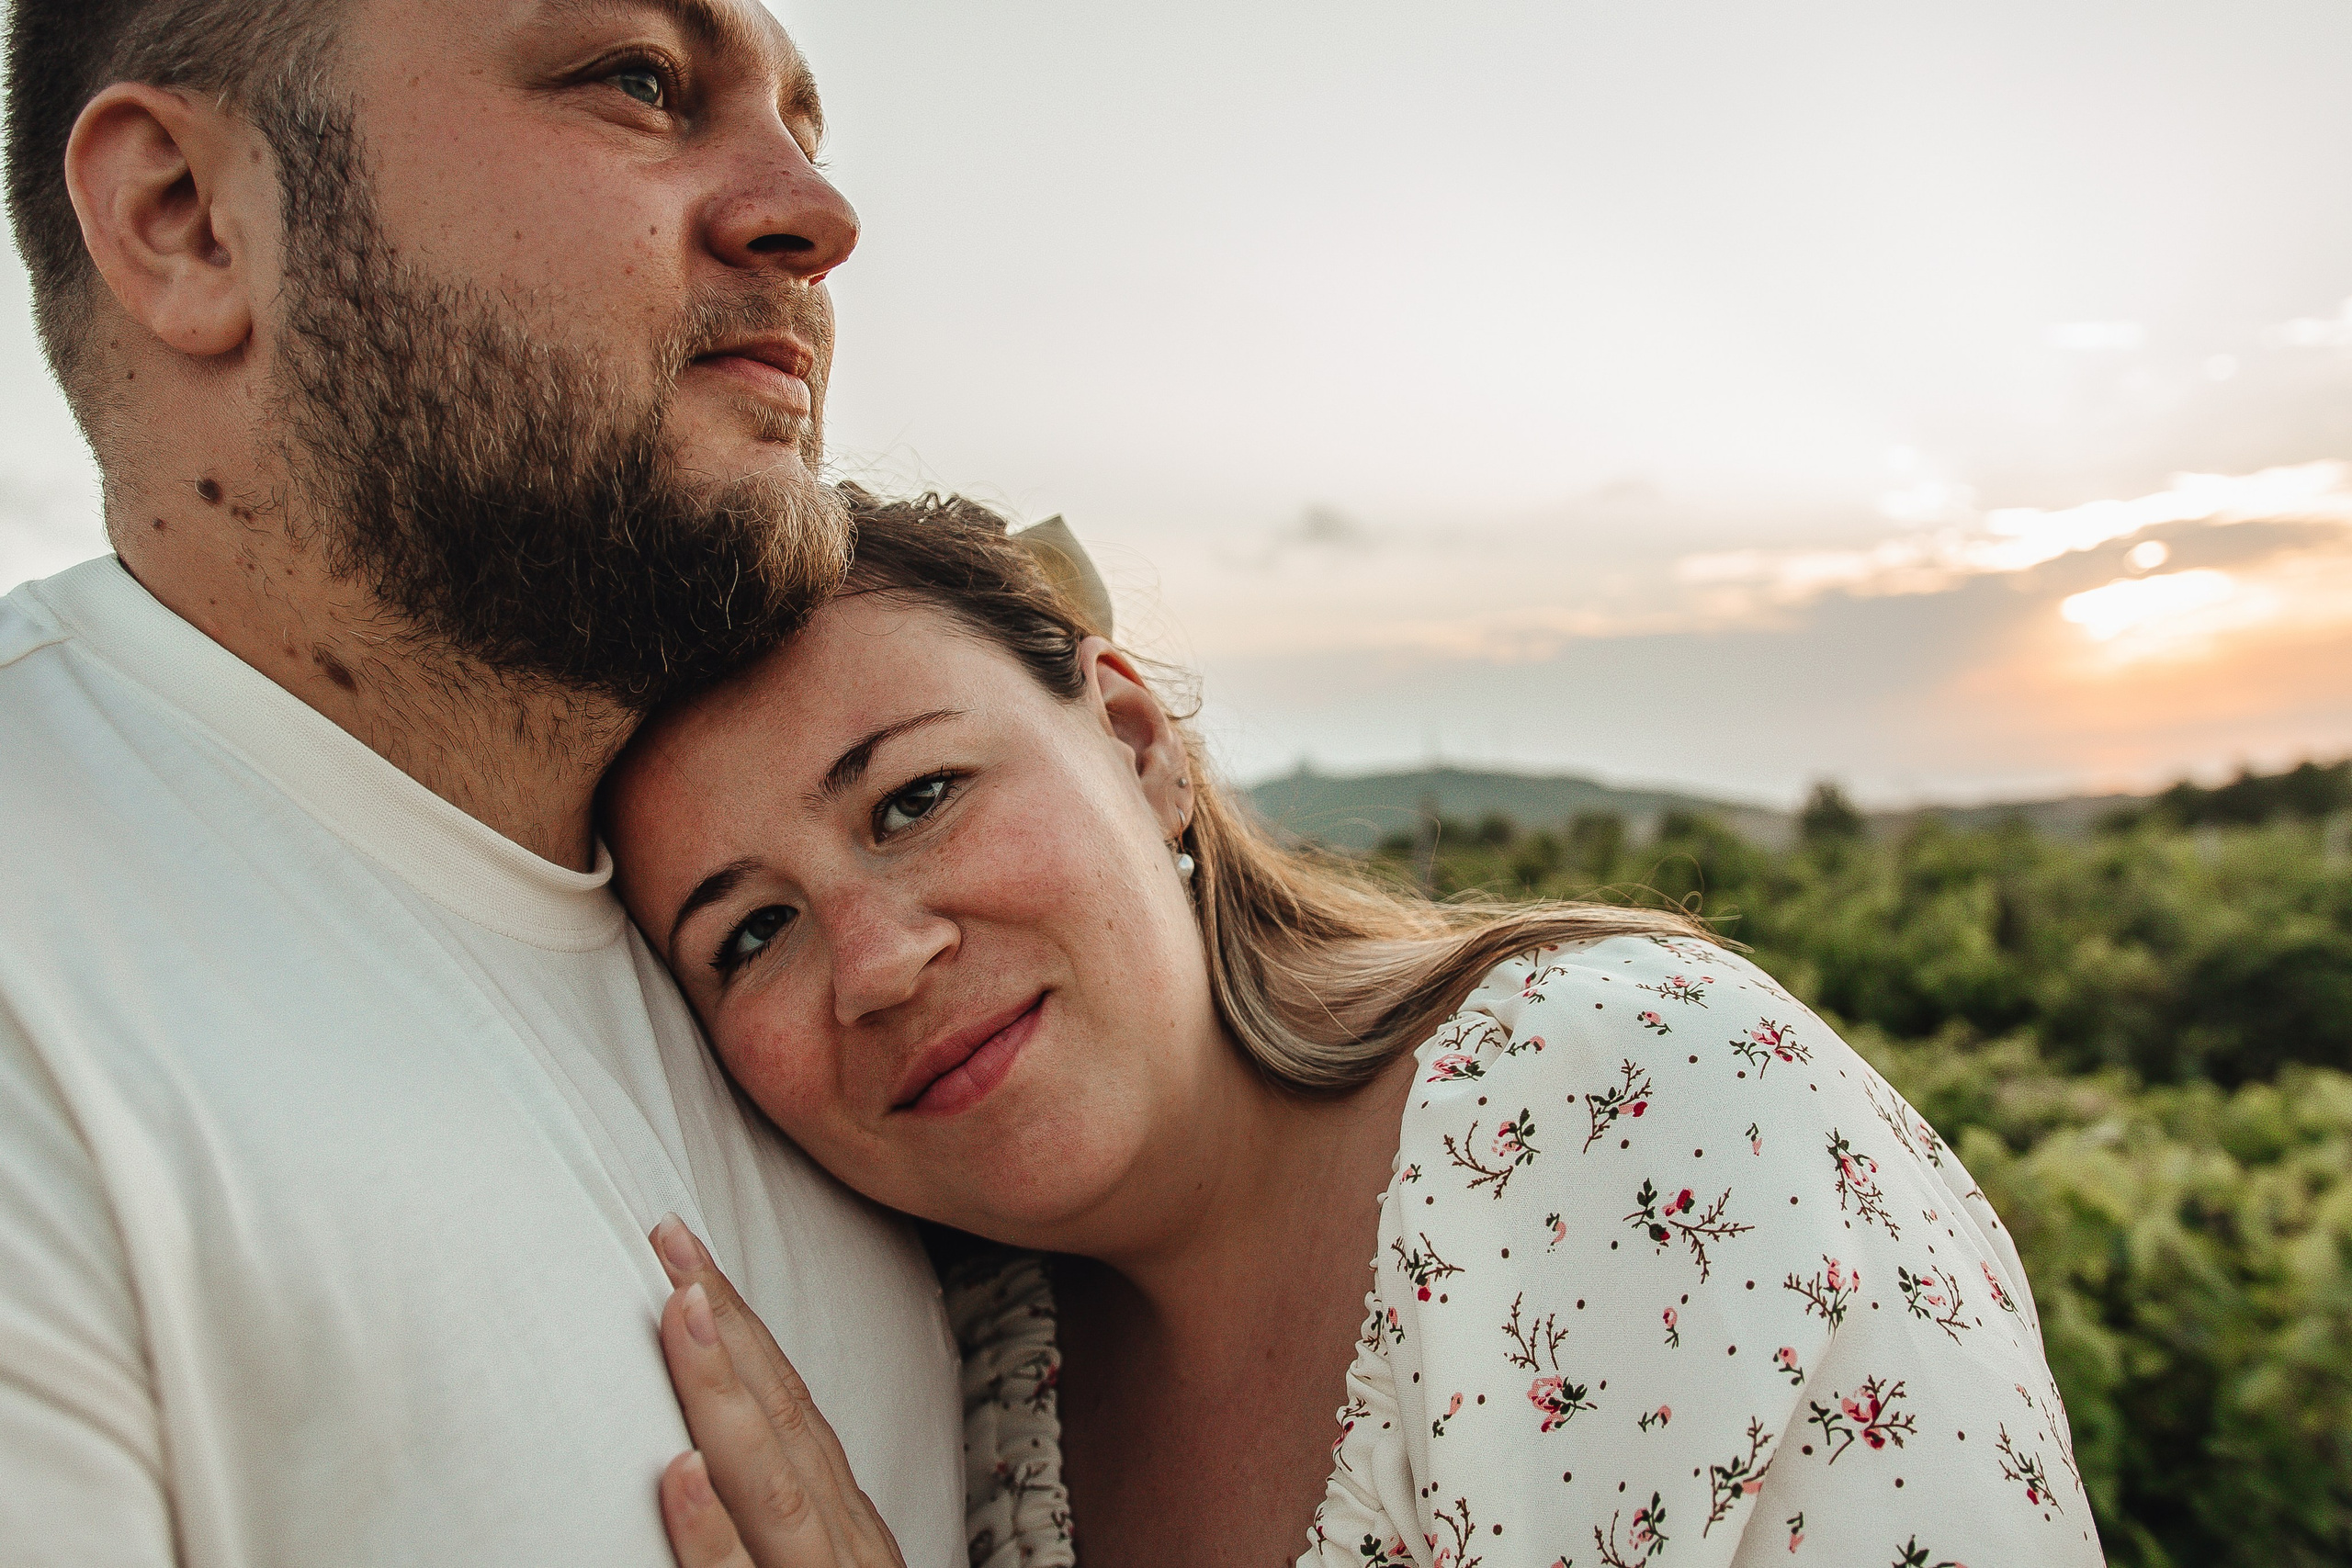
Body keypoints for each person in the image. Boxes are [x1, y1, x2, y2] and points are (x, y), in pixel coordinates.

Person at [604, 491, 2108, 1568]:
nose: (874, 961)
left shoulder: (1647, 1102)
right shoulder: (971, 1412)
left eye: (916, 796)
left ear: (1135, 748)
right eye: (749, 933)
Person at [0, 4, 964, 1563]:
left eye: (804, 124)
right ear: (183, 219)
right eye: (639, 83)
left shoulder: (861, 967)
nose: (817, 217)